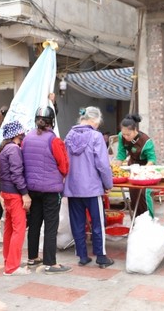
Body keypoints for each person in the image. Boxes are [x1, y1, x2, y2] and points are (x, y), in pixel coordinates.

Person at [21, 106, 71, 274]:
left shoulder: (27, 138)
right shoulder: (54, 140)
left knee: (34, 223)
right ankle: (51, 263)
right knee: (51, 225)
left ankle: (33, 257)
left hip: (32, 189)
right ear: (52, 121)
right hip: (51, 189)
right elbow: (64, 166)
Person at [64, 107, 114, 268]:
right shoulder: (96, 136)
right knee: (98, 222)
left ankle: (83, 256)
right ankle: (101, 256)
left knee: (77, 223)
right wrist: (108, 184)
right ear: (94, 120)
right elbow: (103, 165)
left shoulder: (69, 136)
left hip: (72, 188)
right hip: (92, 188)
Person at [0, 120, 31, 276]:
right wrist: (25, 194)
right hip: (15, 193)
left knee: (9, 229)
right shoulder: (14, 149)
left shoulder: (3, 150)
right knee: (19, 229)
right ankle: (13, 267)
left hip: (5, 191)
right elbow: (17, 174)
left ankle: (8, 261)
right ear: (18, 134)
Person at [113, 114, 156, 217]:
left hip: (146, 168)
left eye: (128, 134)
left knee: (144, 194)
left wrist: (143, 171)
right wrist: (115, 168)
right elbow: (121, 153)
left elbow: (152, 159)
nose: (125, 137)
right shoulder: (121, 136)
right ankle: (138, 219)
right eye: (124, 134)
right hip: (133, 166)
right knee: (134, 194)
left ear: (135, 130)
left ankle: (149, 219)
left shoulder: (146, 141)